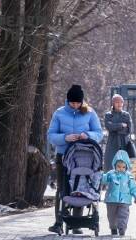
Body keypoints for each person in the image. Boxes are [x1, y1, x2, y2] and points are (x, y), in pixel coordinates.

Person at [47, 84, 103, 235]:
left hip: (82, 157)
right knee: (62, 188)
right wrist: (65, 138)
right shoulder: (59, 113)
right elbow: (51, 135)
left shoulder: (89, 113)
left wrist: (88, 135)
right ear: (68, 101)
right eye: (72, 103)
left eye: (78, 103)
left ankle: (76, 222)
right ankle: (58, 222)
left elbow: (99, 133)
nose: (75, 105)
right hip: (63, 155)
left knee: (80, 186)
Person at [102, 150, 136, 236]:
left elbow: (133, 187)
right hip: (111, 200)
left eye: (123, 167)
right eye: (118, 166)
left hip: (124, 201)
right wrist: (100, 176)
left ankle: (122, 228)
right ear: (114, 165)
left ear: (126, 167)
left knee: (123, 215)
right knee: (111, 216)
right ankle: (113, 228)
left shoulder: (129, 176)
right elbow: (104, 180)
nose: (121, 169)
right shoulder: (111, 174)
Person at [104, 94, 134, 172]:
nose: (119, 104)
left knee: (124, 167)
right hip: (112, 144)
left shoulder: (126, 115)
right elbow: (109, 127)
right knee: (110, 167)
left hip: (124, 143)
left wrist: (115, 127)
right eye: (117, 102)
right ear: (113, 103)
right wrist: (121, 125)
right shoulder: (108, 115)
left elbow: (129, 129)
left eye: (121, 102)